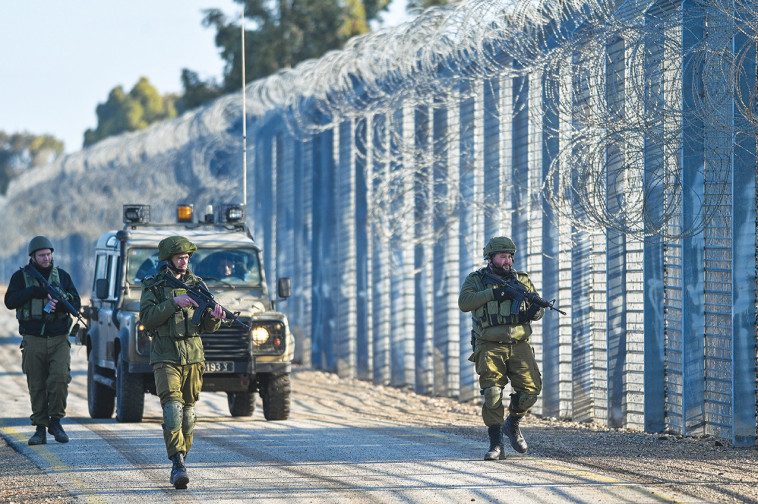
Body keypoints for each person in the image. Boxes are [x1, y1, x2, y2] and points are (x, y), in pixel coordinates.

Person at [139, 236, 225, 489]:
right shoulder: (153, 285)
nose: (184, 261)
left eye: (187, 257)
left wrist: (216, 317)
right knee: (173, 409)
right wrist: (173, 303)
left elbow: (207, 326)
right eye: (180, 257)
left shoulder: (197, 284)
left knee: (189, 413)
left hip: (193, 355)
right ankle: (177, 463)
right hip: (166, 354)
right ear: (168, 260)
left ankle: (182, 459)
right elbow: (146, 318)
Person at [458, 236, 545, 460]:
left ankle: (512, 423)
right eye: (502, 257)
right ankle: (496, 444)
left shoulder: (522, 279)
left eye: (509, 257)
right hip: (489, 345)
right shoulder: (476, 280)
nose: (507, 261)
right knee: (492, 393)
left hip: (519, 344)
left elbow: (536, 305)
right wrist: (494, 293)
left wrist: (535, 312)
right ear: (490, 258)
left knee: (530, 391)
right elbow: (465, 303)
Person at [4, 236, 81, 445]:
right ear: (33, 257)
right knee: (36, 384)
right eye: (42, 255)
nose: (46, 258)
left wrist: (61, 304)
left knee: (60, 378)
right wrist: (34, 292)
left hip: (58, 337)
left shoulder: (62, 277)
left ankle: (55, 421)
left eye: (49, 254)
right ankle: (40, 428)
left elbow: (76, 303)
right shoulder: (21, 277)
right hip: (33, 338)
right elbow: (9, 301)